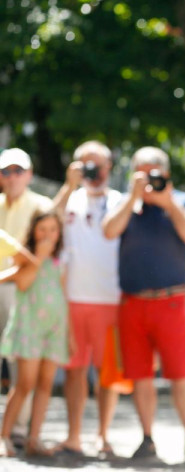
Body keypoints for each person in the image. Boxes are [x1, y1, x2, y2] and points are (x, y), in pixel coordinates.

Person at [101, 146, 185, 462]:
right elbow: (109, 231)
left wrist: (168, 203)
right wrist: (133, 197)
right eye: (142, 173)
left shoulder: (183, 201)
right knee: (140, 375)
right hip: (133, 303)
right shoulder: (125, 203)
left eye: (154, 173)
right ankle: (147, 440)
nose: (149, 180)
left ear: (167, 174)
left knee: (181, 373)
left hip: (171, 302)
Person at [52, 141, 123, 457]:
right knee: (74, 371)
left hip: (111, 298)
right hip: (73, 300)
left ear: (109, 168)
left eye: (98, 164)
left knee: (107, 374)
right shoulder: (71, 199)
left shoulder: (120, 200)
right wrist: (69, 184)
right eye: (85, 164)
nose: (93, 171)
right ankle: (73, 436)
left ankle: (103, 435)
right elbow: (46, 222)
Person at [0, 211, 69, 457]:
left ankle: (34, 438)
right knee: (24, 384)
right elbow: (23, 283)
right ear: (33, 231)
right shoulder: (25, 259)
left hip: (54, 330)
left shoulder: (61, 261)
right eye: (42, 229)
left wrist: (69, 334)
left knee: (45, 385)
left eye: (53, 229)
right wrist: (38, 258)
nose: (48, 234)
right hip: (29, 328)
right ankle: (4, 436)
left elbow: (63, 295)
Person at [0, 148, 53, 444]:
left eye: (18, 171)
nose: (12, 177)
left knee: (22, 365)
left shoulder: (41, 207)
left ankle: (17, 431)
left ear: (29, 174)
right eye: (6, 171)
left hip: (25, 293)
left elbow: (37, 258)